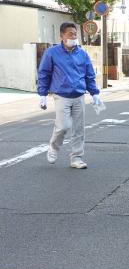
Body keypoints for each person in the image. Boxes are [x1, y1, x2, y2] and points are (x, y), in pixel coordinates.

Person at [38, 22, 102, 169]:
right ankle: (54, 147)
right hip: (61, 95)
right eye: (70, 34)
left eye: (75, 34)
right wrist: (42, 95)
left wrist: (95, 93)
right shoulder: (52, 53)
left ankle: (76, 158)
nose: (74, 37)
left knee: (79, 129)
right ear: (62, 36)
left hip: (79, 95)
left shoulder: (82, 54)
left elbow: (89, 75)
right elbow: (44, 73)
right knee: (63, 126)